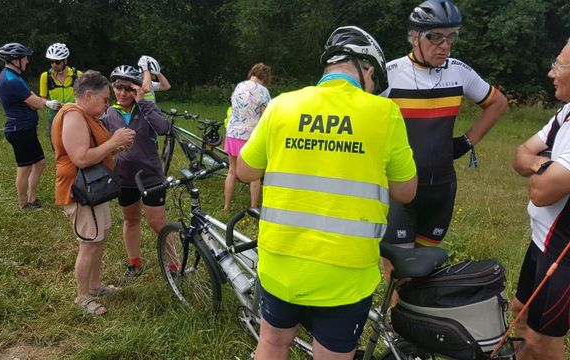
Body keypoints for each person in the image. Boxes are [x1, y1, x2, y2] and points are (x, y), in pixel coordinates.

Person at [237, 26, 417, 360]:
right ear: (366, 69)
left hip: (280, 263)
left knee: (272, 344)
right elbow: (406, 192)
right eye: (374, 82)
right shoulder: (384, 113)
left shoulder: (282, 106)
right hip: (345, 273)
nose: (373, 89)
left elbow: (245, 171)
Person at [380, 0, 507, 255]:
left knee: (426, 271)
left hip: (442, 187)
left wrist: (466, 142)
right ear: (414, 37)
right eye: (436, 38)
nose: (445, 46)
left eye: (451, 38)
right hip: (400, 189)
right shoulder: (390, 74)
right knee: (401, 269)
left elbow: (498, 103)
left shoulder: (458, 71)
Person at [51, 70, 136, 315]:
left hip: (94, 188)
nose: (107, 104)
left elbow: (95, 151)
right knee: (88, 243)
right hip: (80, 190)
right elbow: (80, 158)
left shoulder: (86, 115)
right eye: (104, 99)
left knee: (99, 238)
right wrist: (112, 143)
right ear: (88, 95)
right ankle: (82, 296)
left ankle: (95, 286)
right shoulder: (73, 116)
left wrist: (115, 146)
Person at [509, 39, 570, 360]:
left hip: (563, 254)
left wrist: (539, 167)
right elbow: (521, 155)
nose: (550, 73)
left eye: (559, 66)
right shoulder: (566, 113)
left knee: (542, 341)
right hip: (541, 241)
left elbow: (541, 192)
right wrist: (542, 164)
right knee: (520, 315)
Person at [102, 65, 170, 278]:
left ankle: (174, 264)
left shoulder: (146, 107)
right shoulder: (109, 113)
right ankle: (134, 263)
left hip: (150, 175)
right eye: (118, 87)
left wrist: (142, 102)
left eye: (128, 88)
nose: (122, 93)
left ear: (137, 89)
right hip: (124, 176)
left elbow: (163, 128)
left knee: (157, 223)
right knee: (130, 220)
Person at [0, 42, 62, 210]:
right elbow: (35, 103)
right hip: (19, 130)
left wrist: (37, 102)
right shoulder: (11, 80)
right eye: (24, 58)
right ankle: (23, 204)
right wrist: (46, 103)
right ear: (15, 60)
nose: (27, 61)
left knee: (39, 164)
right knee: (24, 168)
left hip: (26, 129)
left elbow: (32, 98)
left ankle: (32, 198)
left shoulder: (14, 75)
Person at [224, 63, 272, 211]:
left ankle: (226, 206)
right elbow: (266, 116)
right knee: (255, 175)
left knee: (232, 171)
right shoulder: (263, 92)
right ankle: (253, 207)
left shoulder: (239, 86)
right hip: (250, 136)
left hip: (232, 133)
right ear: (265, 77)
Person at [39, 43, 83, 146]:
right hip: (55, 117)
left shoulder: (78, 75)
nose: (54, 65)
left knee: (76, 146)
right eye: (51, 61)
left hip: (74, 116)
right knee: (57, 147)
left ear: (65, 61)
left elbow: (84, 98)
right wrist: (48, 103)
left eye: (57, 62)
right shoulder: (45, 77)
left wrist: (71, 105)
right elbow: (42, 99)